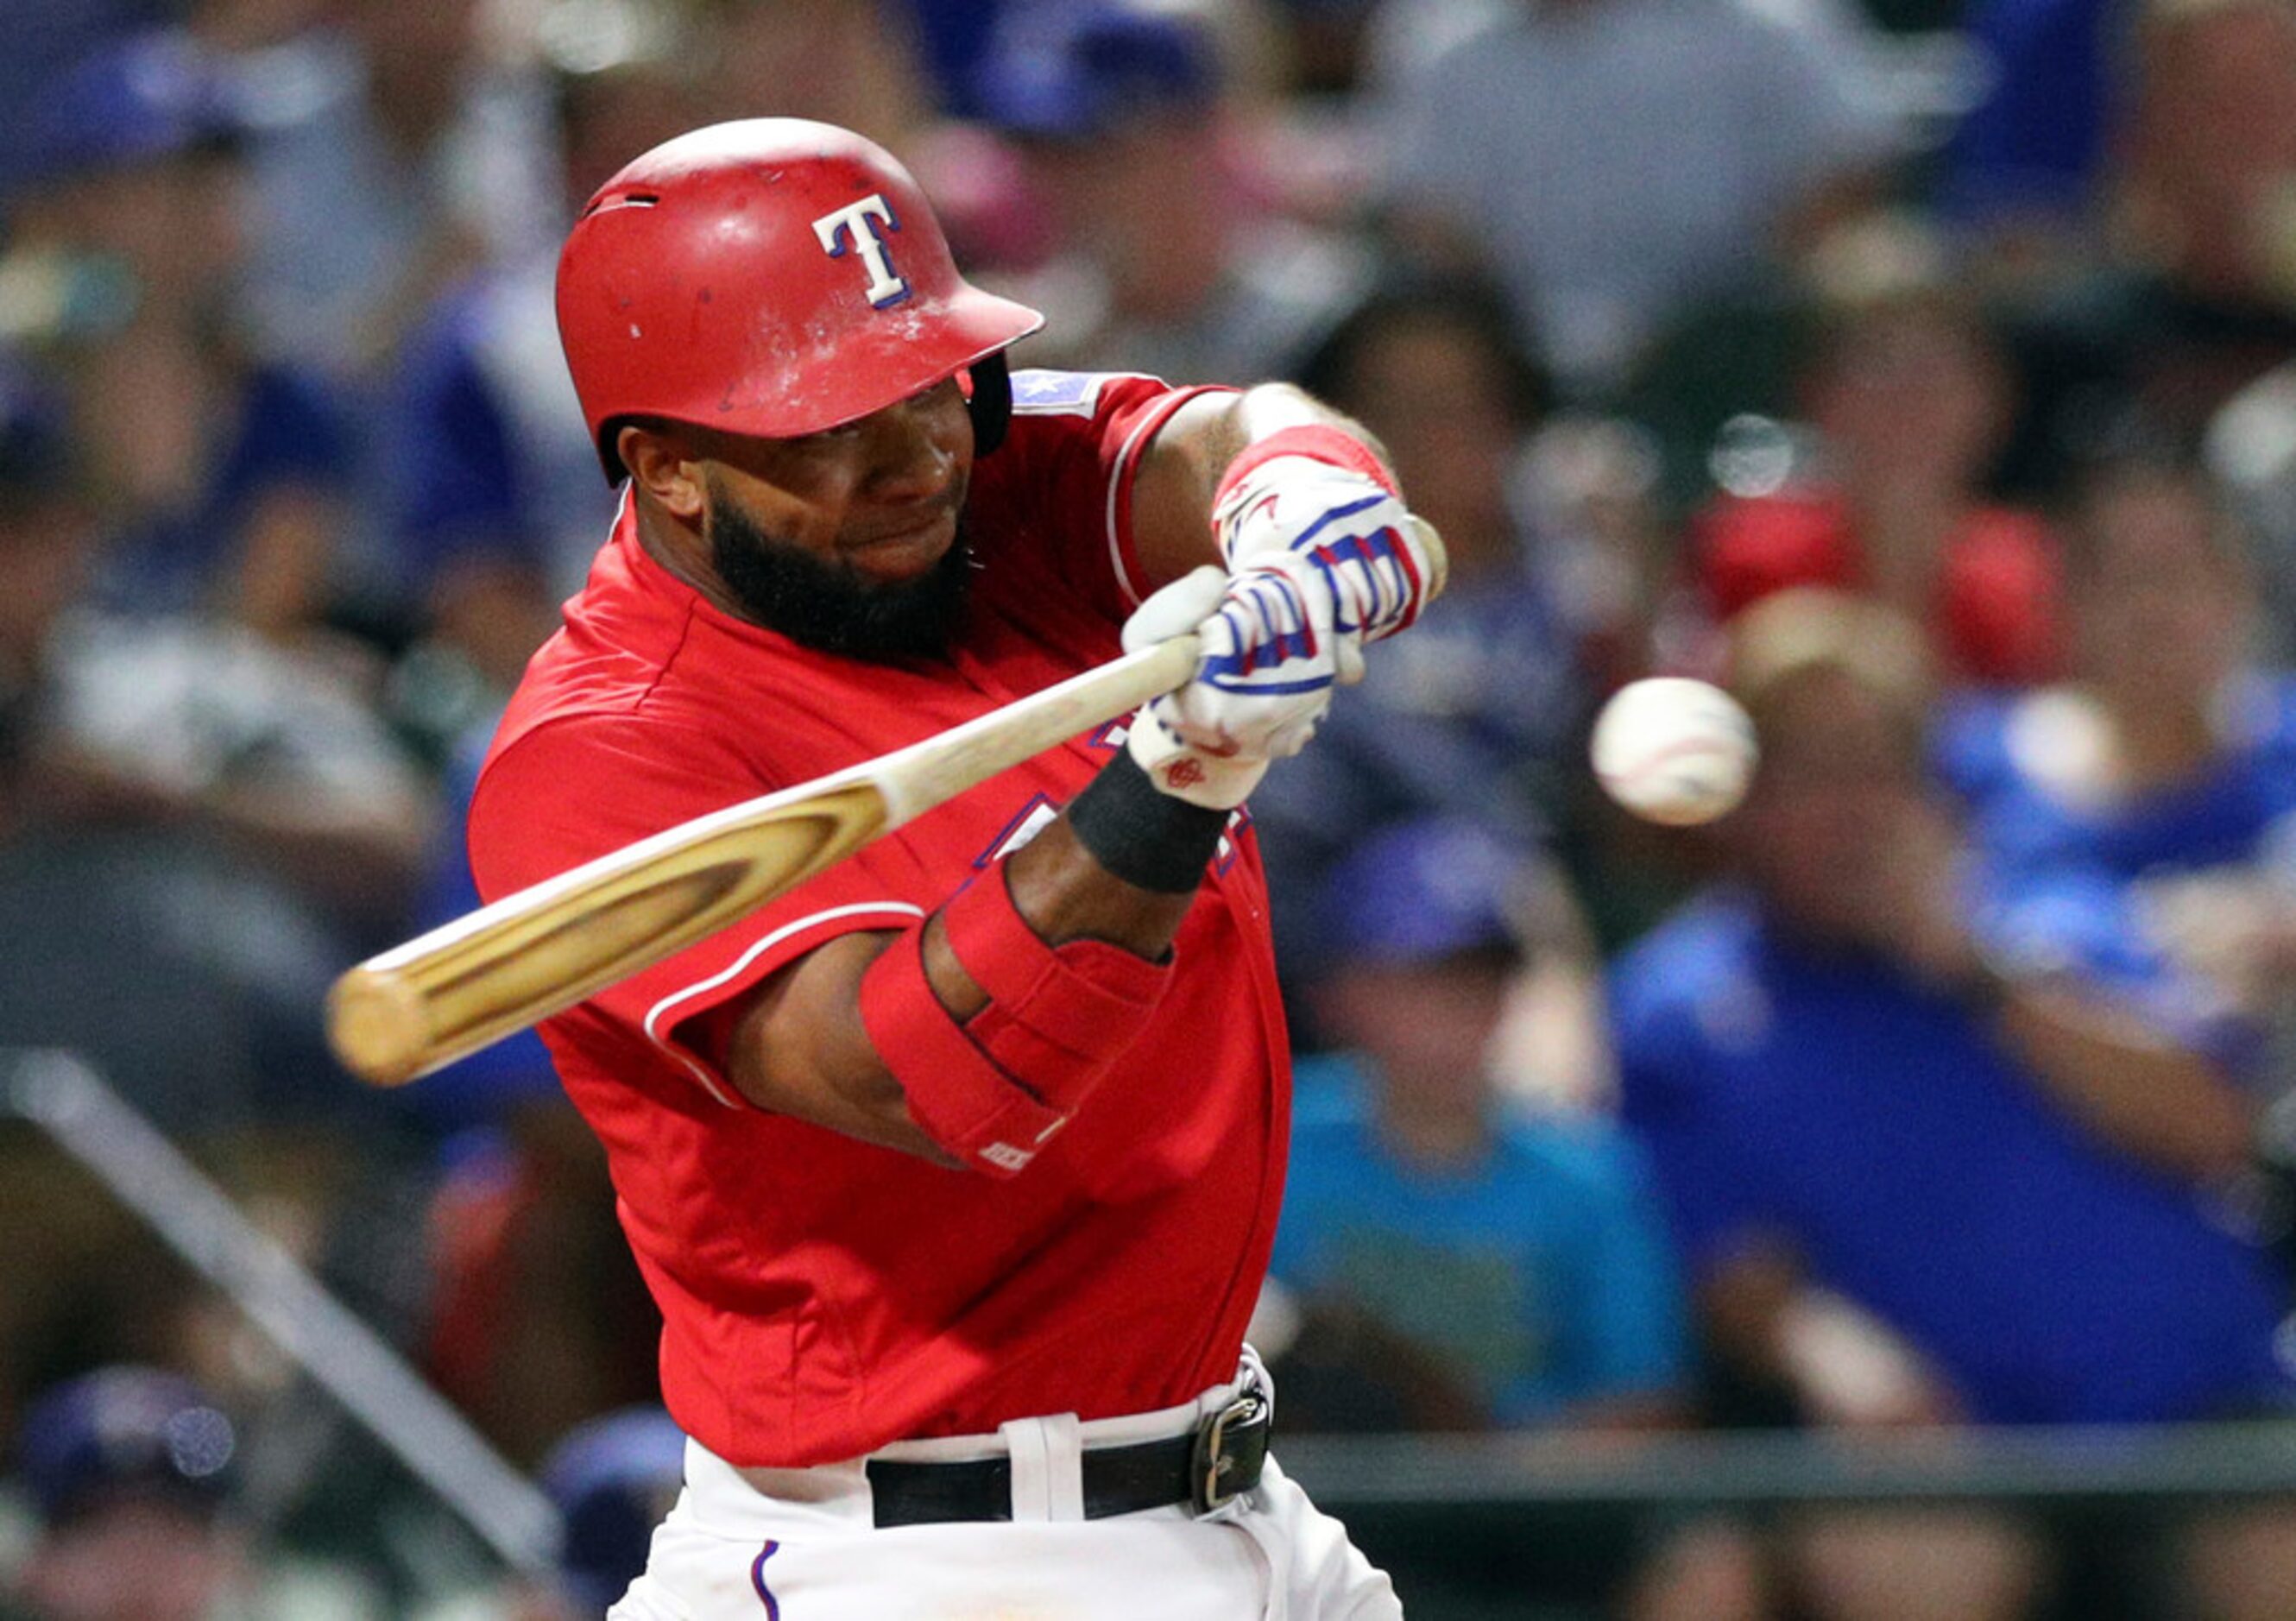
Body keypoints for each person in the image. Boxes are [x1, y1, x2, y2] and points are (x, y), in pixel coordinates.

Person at [463, 116, 1436, 1617]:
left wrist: (1303, 502)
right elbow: (933, 1081)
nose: (908, 457)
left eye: (922, 385)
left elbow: (1221, 429)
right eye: (822, 421)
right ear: (666, 471)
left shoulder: (982, 485)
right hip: (928, 1552)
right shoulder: (601, 755)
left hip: (1232, 1489)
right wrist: (1181, 771)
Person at [1612, 588, 2296, 1621]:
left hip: (2189, 1416)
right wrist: (1825, 1353)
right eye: (1808, 769)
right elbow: (1730, 1262)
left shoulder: (2052, 914)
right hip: (1941, 1452)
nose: (1851, 805)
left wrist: (1968, 965)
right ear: (1744, 801)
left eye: (1876, 763)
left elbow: (2209, 1125)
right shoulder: (1680, 1005)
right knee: (1898, 1564)